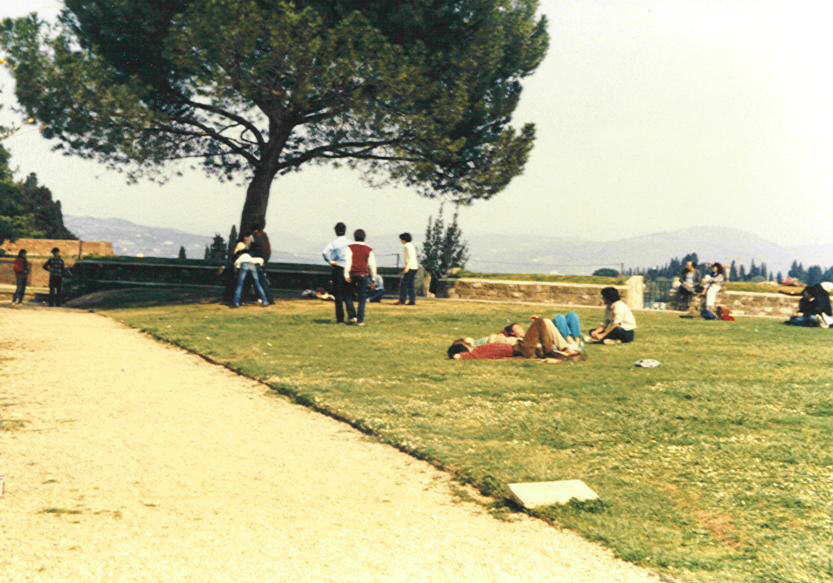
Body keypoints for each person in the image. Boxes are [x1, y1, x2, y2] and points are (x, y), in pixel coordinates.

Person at [449, 316, 584, 361]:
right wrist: (458, 356)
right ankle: (565, 349)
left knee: (544, 322)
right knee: (541, 322)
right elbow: (467, 356)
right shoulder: (478, 350)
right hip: (521, 348)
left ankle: (563, 350)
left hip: (521, 346)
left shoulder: (480, 348)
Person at [343, 229, 378, 326]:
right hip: (363, 275)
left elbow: (348, 262)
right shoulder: (368, 250)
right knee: (362, 298)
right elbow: (372, 265)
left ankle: (352, 316)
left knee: (348, 295)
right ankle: (360, 320)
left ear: (354, 236)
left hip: (352, 274)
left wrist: (346, 274)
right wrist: (374, 278)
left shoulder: (350, 248)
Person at [322, 222, 352, 323]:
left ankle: (340, 318)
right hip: (348, 268)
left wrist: (330, 261)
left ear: (335, 231)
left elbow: (325, 252)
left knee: (338, 294)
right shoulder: (350, 243)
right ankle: (351, 315)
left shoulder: (334, 243)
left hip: (338, 268)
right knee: (348, 293)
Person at [231, 234, 272, 308]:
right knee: (257, 283)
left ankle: (236, 302)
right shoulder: (250, 248)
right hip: (251, 264)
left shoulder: (240, 246)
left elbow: (236, 257)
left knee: (240, 284)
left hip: (244, 264)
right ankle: (265, 300)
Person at [248, 221, 275, 305]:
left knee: (260, 281)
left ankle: (268, 299)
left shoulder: (254, 236)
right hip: (263, 260)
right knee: (260, 280)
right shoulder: (264, 235)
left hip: (257, 261)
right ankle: (262, 297)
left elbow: (252, 249)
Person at [397, 232, 418, 306]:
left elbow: (409, 258)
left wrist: (406, 269)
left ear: (404, 239)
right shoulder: (411, 246)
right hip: (414, 267)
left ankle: (402, 301)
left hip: (410, 267)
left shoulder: (406, 246)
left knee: (404, 285)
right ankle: (412, 301)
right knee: (410, 285)